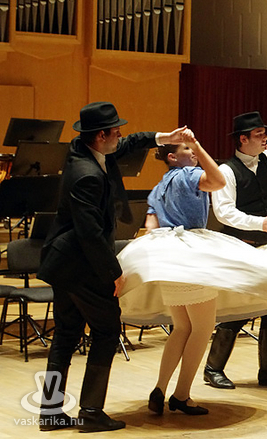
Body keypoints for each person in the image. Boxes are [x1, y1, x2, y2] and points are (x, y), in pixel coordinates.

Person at [36, 101, 189, 432]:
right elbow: (89, 234)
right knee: (106, 331)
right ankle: (91, 411)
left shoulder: (84, 149)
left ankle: (50, 412)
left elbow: (131, 142)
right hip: (80, 266)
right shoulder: (87, 176)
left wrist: (164, 137)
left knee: (65, 335)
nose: (120, 136)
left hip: (64, 263)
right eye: (115, 132)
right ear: (101, 136)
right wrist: (114, 273)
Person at [116, 138, 267, 415]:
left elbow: (151, 226)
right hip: (190, 255)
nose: (193, 152)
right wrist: (202, 149)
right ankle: (181, 395)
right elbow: (218, 180)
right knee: (202, 329)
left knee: (182, 328)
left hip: (169, 258)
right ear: (172, 157)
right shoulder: (188, 174)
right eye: (187, 149)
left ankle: (160, 388)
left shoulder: (159, 186)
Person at [202, 111, 267, 389]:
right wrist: (258, 223)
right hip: (241, 244)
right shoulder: (226, 170)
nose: (265, 138)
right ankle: (212, 368)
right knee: (239, 306)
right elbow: (224, 212)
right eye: (259, 134)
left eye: (264, 133)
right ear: (243, 139)